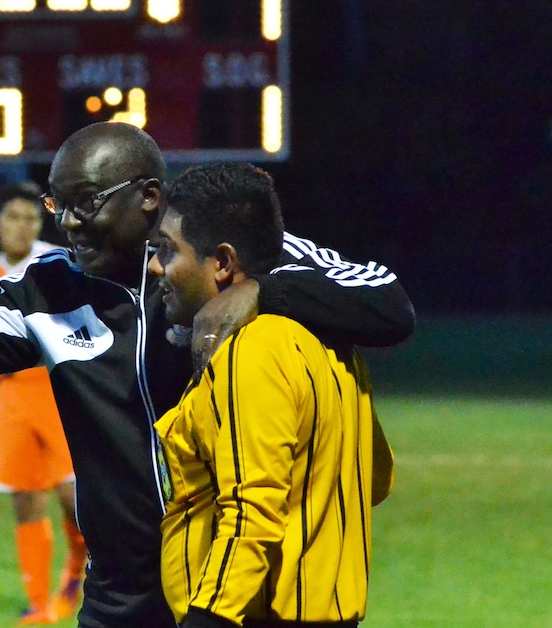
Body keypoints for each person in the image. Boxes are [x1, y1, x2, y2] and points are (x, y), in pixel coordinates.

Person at [0, 121, 414, 628]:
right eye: (59, 205)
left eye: (87, 203)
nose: (68, 223)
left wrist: (264, 295)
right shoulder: (49, 292)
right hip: (124, 593)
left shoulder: (242, 253)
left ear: (149, 197)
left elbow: (388, 304)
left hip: (245, 578)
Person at [149, 162, 395, 628]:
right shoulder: (336, 344)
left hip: (249, 615)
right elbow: (374, 476)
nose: (155, 264)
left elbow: (250, 513)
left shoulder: (251, 350)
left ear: (222, 262)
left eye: (167, 249)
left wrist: (209, 617)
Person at [0, 181, 87, 624]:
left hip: (60, 391)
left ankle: (78, 575)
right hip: (13, 397)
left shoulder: (58, 264)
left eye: (30, 217)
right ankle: (38, 603)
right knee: (25, 500)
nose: (23, 226)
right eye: (13, 218)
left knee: (74, 498)